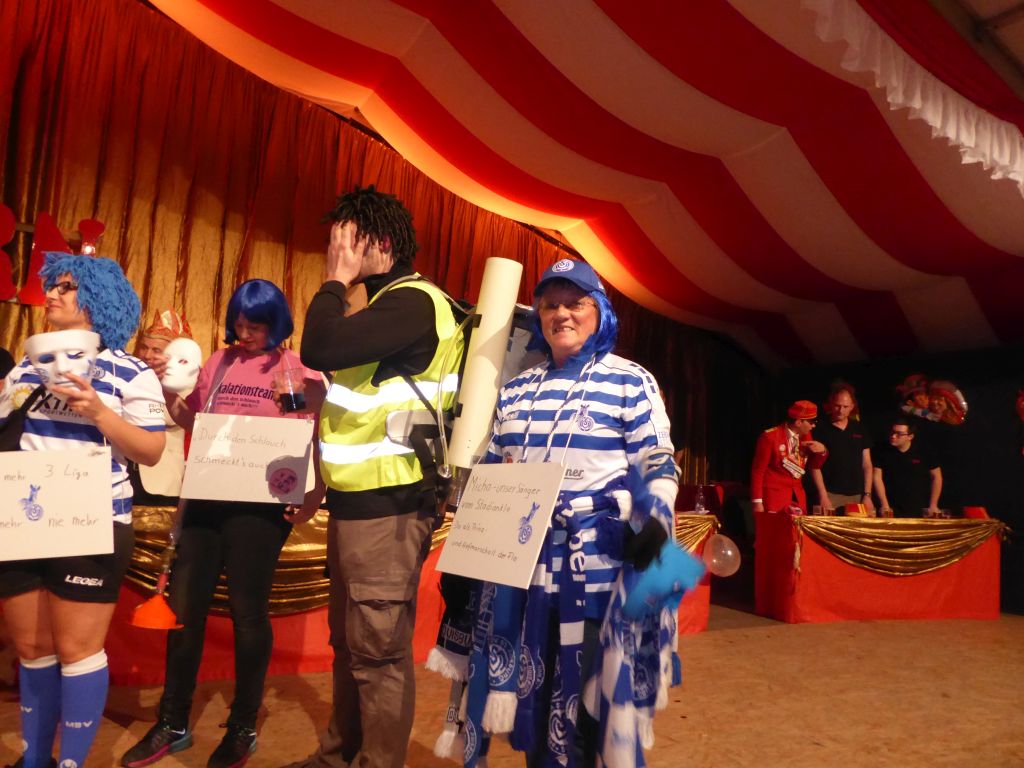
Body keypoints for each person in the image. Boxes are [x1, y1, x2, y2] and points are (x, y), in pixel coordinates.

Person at [462, 258, 685, 767]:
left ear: (599, 311)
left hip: (596, 573)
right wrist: (466, 561)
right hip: (523, 573)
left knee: (586, 713)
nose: (561, 314)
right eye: (550, 305)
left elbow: (656, 458)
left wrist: (656, 516)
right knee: (534, 703)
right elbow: (491, 476)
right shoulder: (517, 390)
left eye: (575, 303)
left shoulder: (630, 381)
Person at [284, 186, 464, 768]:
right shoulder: (384, 309)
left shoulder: (415, 302)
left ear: (381, 244)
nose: (335, 250)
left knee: (378, 653)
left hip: (391, 507)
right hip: (355, 503)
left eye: (347, 240)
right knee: (351, 645)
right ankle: (339, 755)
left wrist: (335, 280)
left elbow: (318, 344)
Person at [121, 279, 327, 768]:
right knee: (184, 609)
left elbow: (317, 434)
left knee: (247, 613)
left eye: (255, 326)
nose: (245, 334)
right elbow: (196, 422)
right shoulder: (219, 362)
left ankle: (242, 726)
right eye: (239, 325)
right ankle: (172, 722)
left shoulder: (299, 370)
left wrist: (314, 495)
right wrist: (168, 394)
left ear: (277, 323)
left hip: (261, 506)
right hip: (207, 495)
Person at [0, 252, 166, 768]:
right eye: (51, 286)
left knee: (78, 651)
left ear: (98, 298)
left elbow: (151, 451)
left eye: (65, 287)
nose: (51, 294)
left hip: (94, 521)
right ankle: (35, 760)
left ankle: (70, 762)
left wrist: (97, 411)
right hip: (24, 520)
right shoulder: (25, 365)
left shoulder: (131, 371)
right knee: (32, 649)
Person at [128, 308, 195, 505]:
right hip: (124, 472)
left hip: (160, 476)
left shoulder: (186, 382)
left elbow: (166, 416)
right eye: (144, 347)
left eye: (156, 350)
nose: (147, 355)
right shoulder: (130, 375)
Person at [750, 400, 827, 514]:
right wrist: (757, 502)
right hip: (774, 497)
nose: (814, 425)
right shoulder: (770, 437)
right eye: (811, 422)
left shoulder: (806, 436)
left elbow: (814, 466)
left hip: (797, 497)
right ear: (798, 422)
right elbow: (758, 471)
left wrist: (823, 451)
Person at [810, 383, 873, 513]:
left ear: (852, 407)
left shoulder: (859, 429)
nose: (841, 410)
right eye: (837, 406)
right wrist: (822, 494)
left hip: (857, 495)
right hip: (830, 494)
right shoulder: (820, 429)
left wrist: (867, 495)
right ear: (831, 404)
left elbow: (867, 465)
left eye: (845, 407)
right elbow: (814, 466)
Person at [873, 417, 942, 518]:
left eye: (899, 434)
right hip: (890, 506)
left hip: (918, 507)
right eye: (892, 432)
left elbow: (937, 477)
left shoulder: (923, 451)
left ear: (910, 436)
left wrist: (933, 504)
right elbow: (877, 477)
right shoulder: (882, 450)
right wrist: (884, 504)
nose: (893, 436)